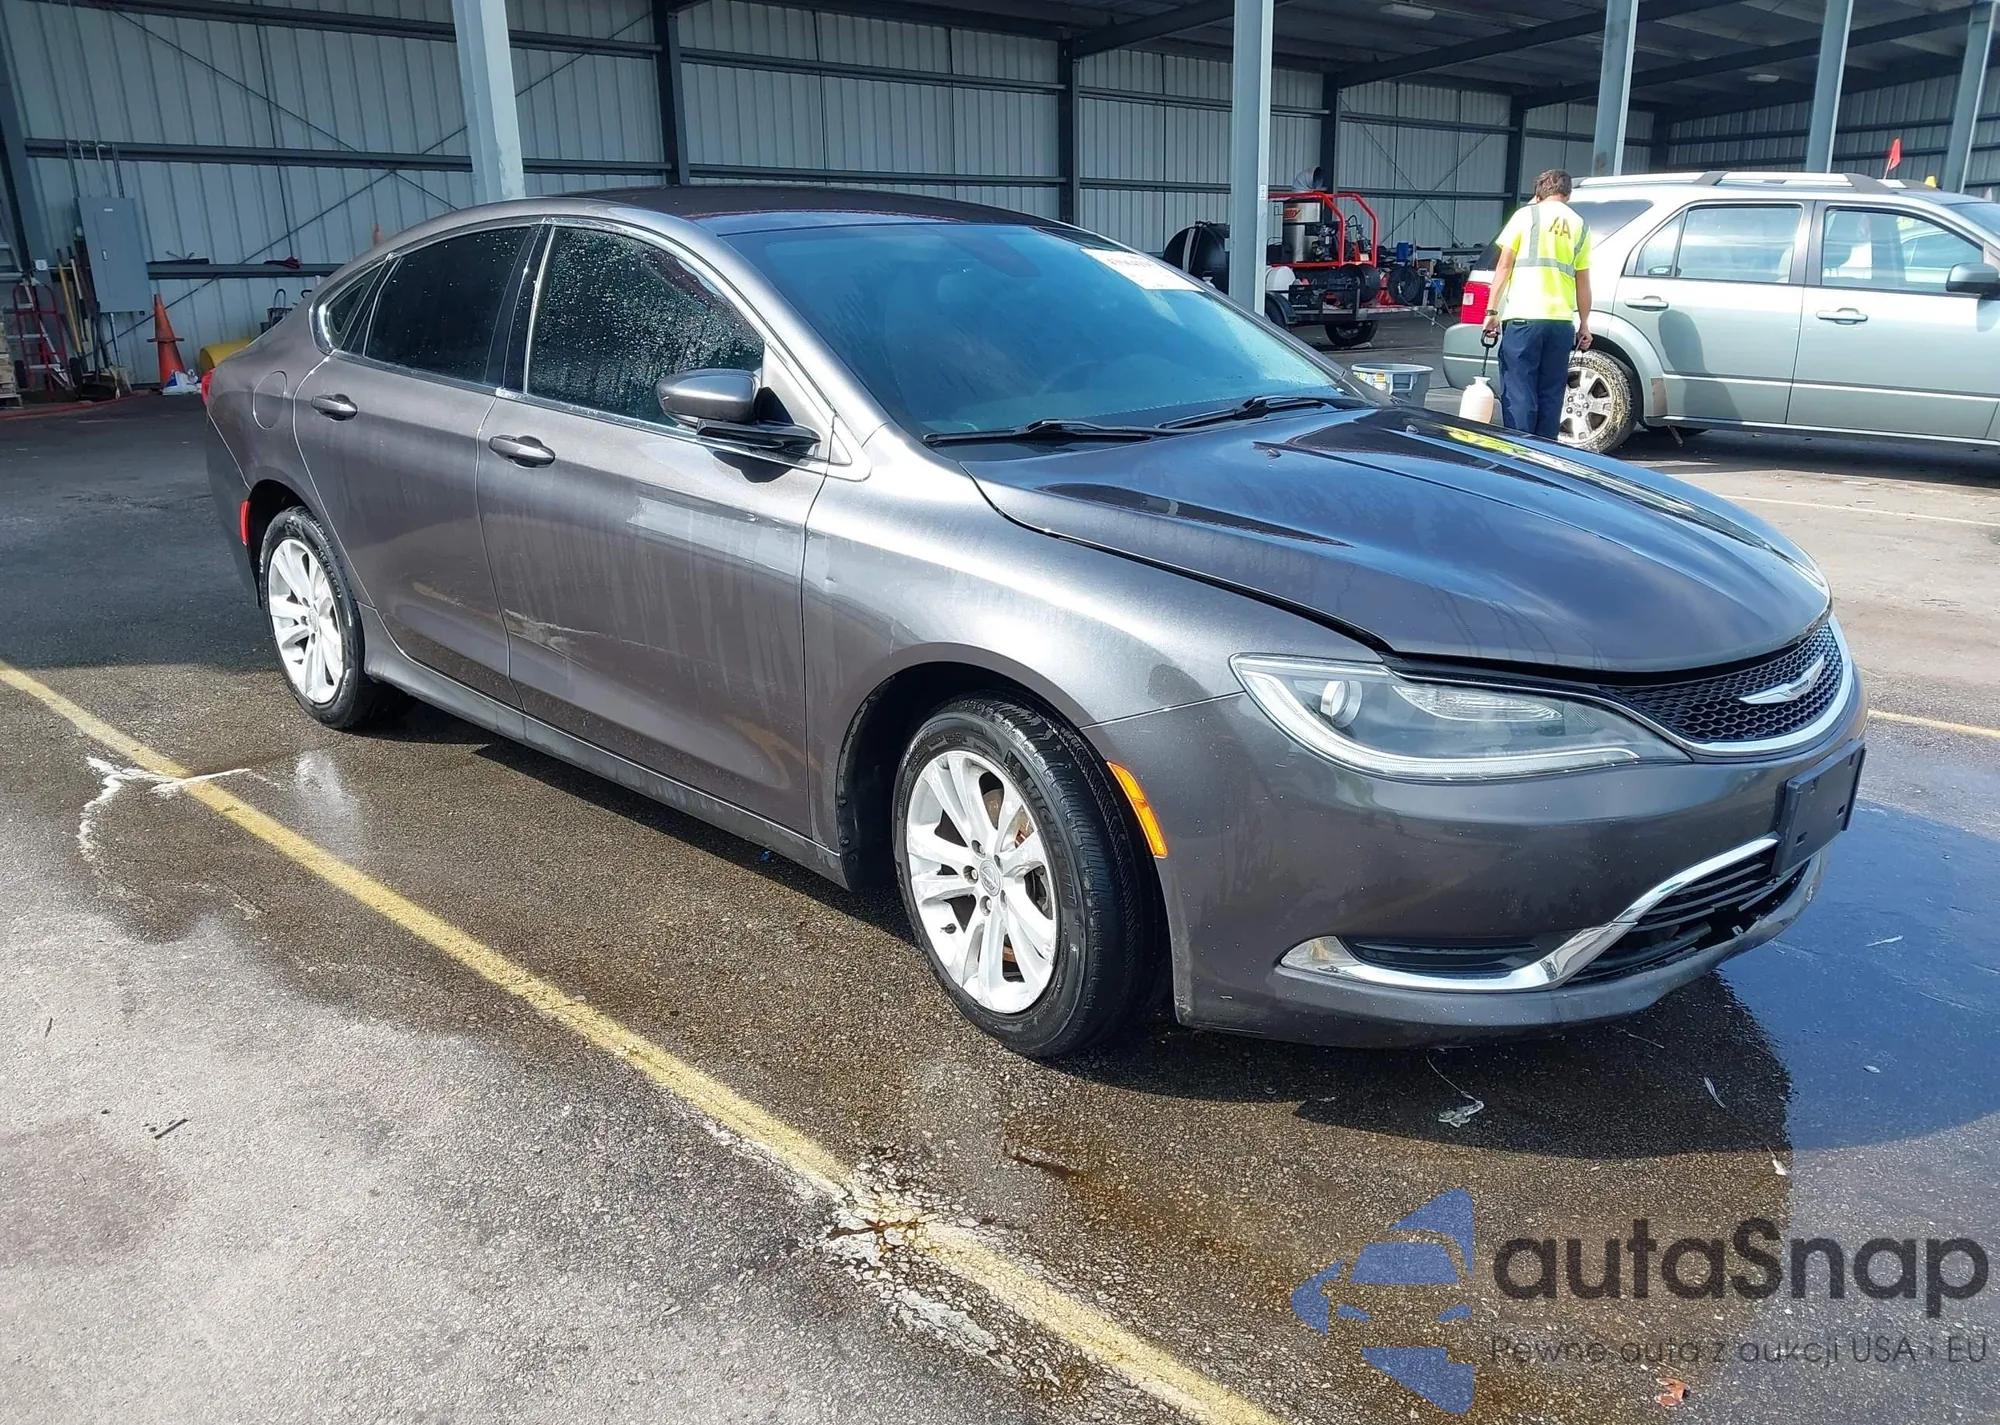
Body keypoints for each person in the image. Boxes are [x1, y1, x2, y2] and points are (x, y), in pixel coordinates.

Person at [1480, 169, 1592, 440]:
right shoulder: (1580, 225)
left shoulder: (1525, 216)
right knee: (1551, 393)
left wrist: (1492, 311)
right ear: (1568, 194)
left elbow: (1504, 265)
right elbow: (1583, 280)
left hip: (1524, 319)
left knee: (1519, 390)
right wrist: (1584, 324)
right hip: (1561, 322)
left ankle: (1520, 451)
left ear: (1538, 192)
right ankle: (1545, 452)